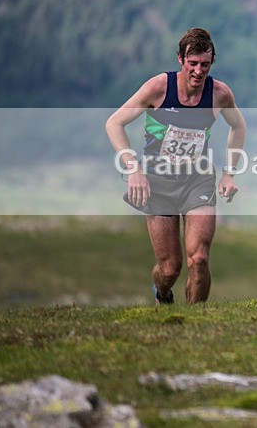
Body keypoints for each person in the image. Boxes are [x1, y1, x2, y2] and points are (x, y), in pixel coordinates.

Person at [105, 28, 246, 304]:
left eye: (205, 65)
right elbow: (114, 123)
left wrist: (229, 172)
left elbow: (238, 127)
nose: (198, 71)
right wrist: (134, 169)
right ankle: (163, 293)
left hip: (198, 180)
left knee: (200, 259)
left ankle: (196, 326)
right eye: (192, 64)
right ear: (180, 59)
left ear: (211, 62)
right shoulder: (159, 88)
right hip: (158, 183)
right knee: (170, 268)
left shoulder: (219, 94)